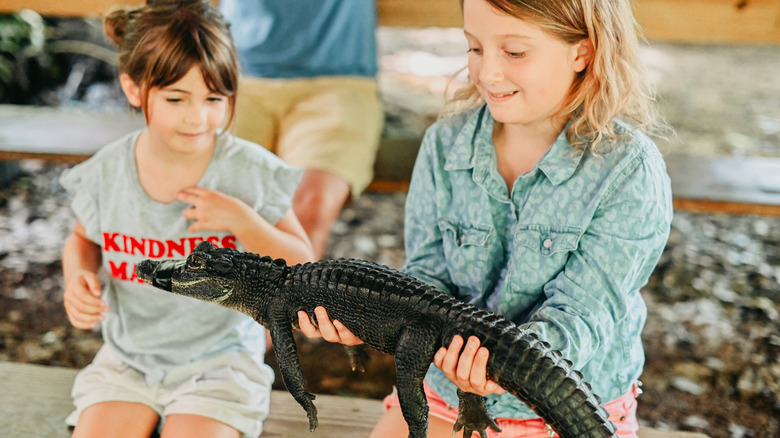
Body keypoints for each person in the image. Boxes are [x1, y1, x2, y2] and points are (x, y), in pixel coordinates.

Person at [298, 0, 673, 437]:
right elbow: (426, 280)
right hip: (446, 395)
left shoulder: (628, 169)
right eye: (475, 48)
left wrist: (498, 365)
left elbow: (584, 313)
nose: (488, 72)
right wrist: (370, 319)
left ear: (582, 52)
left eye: (514, 52)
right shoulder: (444, 145)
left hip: (570, 407)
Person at [59, 1, 314, 437]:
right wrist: (77, 276)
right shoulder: (107, 171)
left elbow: (302, 263)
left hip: (219, 362)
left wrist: (242, 221)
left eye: (214, 99)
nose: (198, 117)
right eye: (176, 98)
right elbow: (82, 239)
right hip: (128, 360)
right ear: (134, 89)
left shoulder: (247, 171)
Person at [218, 0, 384, 260]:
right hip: (236, 73)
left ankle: (295, 298)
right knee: (209, 198)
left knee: (309, 207)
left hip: (338, 78)